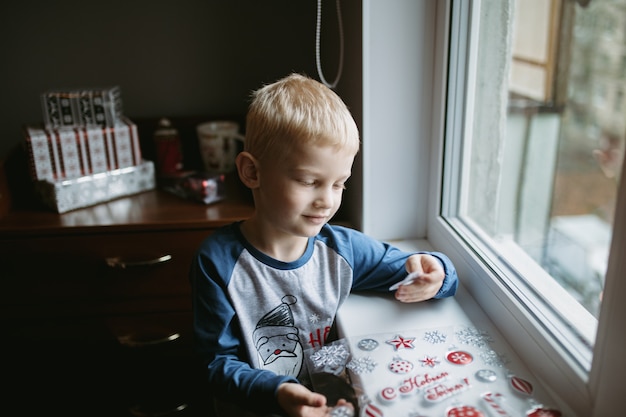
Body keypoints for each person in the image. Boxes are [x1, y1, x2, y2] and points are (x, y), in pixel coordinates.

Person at [189, 73, 459, 417]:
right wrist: (278, 392)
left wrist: (438, 273)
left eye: (339, 184)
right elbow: (215, 364)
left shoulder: (343, 249)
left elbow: (412, 268)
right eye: (308, 181)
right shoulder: (217, 262)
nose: (327, 201)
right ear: (251, 172)